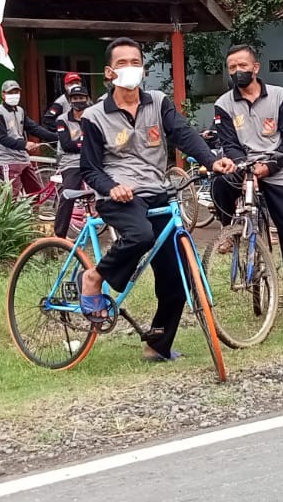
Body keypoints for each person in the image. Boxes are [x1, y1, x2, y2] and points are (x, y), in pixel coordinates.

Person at [79, 38, 236, 362]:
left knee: (175, 274)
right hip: (119, 197)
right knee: (140, 235)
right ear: (109, 72)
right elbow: (90, 168)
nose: (130, 68)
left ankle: (157, 345)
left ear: (144, 68)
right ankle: (94, 277)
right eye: (122, 63)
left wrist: (210, 160)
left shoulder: (158, 103)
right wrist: (111, 187)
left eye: (135, 62)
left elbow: (183, 134)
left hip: (157, 192)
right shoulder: (95, 116)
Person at [210, 45, 283, 317]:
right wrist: (245, 166)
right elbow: (228, 142)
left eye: (242, 66)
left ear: (255, 68)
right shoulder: (223, 104)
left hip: (276, 167)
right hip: (241, 163)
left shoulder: (279, 96)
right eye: (232, 68)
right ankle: (229, 229)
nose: (237, 72)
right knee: (219, 186)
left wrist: (268, 167)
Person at [0, 80, 59, 196]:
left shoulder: (20, 111)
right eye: (10, 93)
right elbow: (3, 138)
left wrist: (57, 137)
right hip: (7, 159)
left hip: (23, 157)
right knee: (11, 196)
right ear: (3, 95)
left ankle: (33, 213)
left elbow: (34, 128)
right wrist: (25, 144)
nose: (14, 95)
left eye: (16, 92)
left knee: (35, 192)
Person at [50, 83, 92, 238]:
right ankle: (59, 236)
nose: (78, 101)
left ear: (87, 99)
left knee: (109, 190)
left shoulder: (93, 117)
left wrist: (82, 144)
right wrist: (86, 143)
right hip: (71, 163)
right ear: (69, 100)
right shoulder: (62, 120)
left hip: (91, 161)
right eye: (74, 98)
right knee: (67, 195)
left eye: (81, 97)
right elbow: (67, 145)